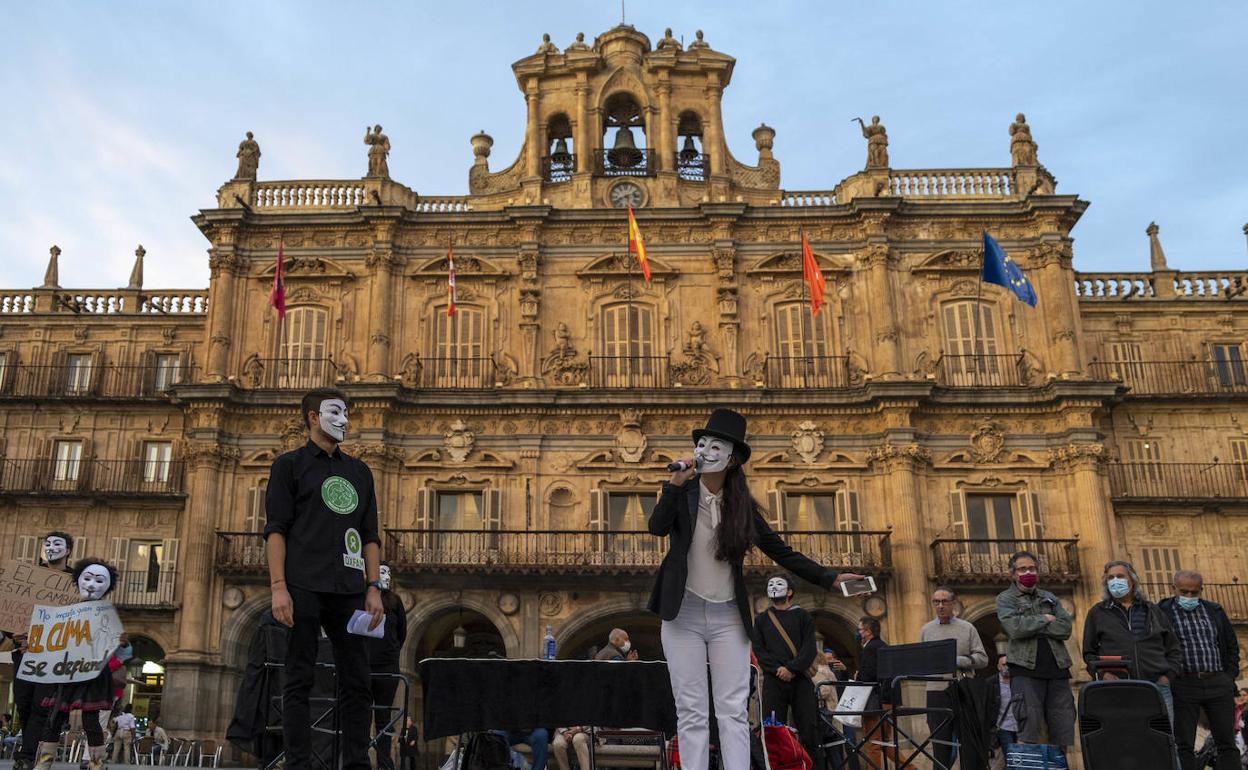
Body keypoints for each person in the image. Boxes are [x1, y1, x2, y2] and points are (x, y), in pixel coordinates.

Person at [648, 408, 866, 770]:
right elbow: (657, 527)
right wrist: (673, 485)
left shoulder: (742, 509)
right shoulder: (680, 493)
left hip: (727, 618)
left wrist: (829, 578)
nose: (703, 451)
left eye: (714, 446)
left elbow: (781, 551)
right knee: (690, 710)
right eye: (700, 444)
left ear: (732, 459)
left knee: (732, 709)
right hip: (681, 613)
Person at [265, 387, 385, 770]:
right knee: (298, 677)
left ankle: (355, 763)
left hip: (349, 588)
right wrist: (279, 587)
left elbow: (370, 535)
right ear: (313, 417)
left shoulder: (359, 471)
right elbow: (276, 530)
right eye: (336, 412)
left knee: (358, 681)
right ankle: (298, 763)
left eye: (347, 413)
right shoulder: (290, 465)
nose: (344, 420)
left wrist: (373, 586)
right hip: (302, 584)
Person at [31, 559, 131, 770]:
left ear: (107, 586)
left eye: (99, 580)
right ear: (78, 581)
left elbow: (123, 652)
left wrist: (121, 643)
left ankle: (95, 763)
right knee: (55, 718)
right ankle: (43, 763)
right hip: (67, 671)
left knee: (91, 721)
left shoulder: (107, 613)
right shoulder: (66, 611)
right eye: (87, 578)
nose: (92, 584)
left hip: (93, 674)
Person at [1158, 570, 1243, 770]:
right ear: (1174, 589)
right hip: (1183, 684)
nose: (1189, 596)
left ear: (1201, 590)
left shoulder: (1214, 611)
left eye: (1194, 592)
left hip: (1217, 682)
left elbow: (1231, 646)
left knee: (1227, 742)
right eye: (1184, 591)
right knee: (1183, 743)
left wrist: (1228, 676)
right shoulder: (1162, 612)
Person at [996, 550, 1075, 763]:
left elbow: (1065, 628)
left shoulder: (1050, 597)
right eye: (1022, 569)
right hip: (1025, 670)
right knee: (1027, 731)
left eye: (1031, 568)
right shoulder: (1006, 598)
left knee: (1062, 731)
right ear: (1013, 574)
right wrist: (1045, 619)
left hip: (1057, 669)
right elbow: (1014, 628)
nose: (1028, 572)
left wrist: (1031, 623)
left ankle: (1059, 767)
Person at [1082, 561, 1182, 721]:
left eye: (1120, 576)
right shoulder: (1097, 613)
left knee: (1162, 738)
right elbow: (1089, 652)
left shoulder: (1153, 610)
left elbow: (1173, 648)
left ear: (1133, 580)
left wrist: (1167, 677)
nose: (1115, 581)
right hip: (1117, 689)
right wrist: (1103, 674)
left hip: (1156, 688)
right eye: (1110, 578)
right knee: (1126, 738)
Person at [10, 532, 76, 770]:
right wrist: (14, 634)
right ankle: (31, 747)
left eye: (57, 544)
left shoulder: (76, 581)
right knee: (23, 702)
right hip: (24, 652)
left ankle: (26, 755)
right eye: (46, 544)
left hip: (53, 656)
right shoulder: (29, 578)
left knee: (40, 704)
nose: (50, 548)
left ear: (68, 550)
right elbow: (12, 612)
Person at [752, 574, 822, 769]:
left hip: (800, 679)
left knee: (809, 729)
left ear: (789, 591)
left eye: (779, 584)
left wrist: (791, 668)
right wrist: (777, 669)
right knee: (772, 730)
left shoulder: (803, 616)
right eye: (770, 584)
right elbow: (759, 650)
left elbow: (809, 648)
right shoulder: (762, 620)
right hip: (774, 682)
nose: (774, 587)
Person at [919, 586, 989, 769]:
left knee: (969, 744)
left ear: (953, 603)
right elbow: (922, 660)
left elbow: (983, 659)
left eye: (944, 601)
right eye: (936, 602)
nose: (940, 606)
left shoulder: (967, 628)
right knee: (940, 745)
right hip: (936, 692)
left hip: (963, 690)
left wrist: (959, 661)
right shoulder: (926, 630)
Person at [367, 563, 408, 770]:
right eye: (380, 572)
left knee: (383, 717)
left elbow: (402, 632)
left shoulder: (395, 602)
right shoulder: (362, 599)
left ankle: (384, 762)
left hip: (387, 667)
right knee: (362, 715)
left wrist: (391, 651)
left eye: (387, 573)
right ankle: (361, 760)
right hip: (364, 666)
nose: (385, 577)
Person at [855, 616, 896, 768]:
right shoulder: (883, 646)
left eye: (860, 629)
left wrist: (857, 676)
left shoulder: (870, 648)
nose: (858, 633)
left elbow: (869, 676)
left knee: (872, 742)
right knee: (884, 742)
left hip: (876, 700)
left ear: (868, 632)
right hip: (888, 699)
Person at [987, 653, 1020, 760]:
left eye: (1009, 665)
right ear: (998, 666)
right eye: (1004, 665)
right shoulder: (991, 683)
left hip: (1020, 726)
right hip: (1003, 726)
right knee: (1010, 758)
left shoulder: (1020, 681)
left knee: (1023, 758)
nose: (1007, 667)